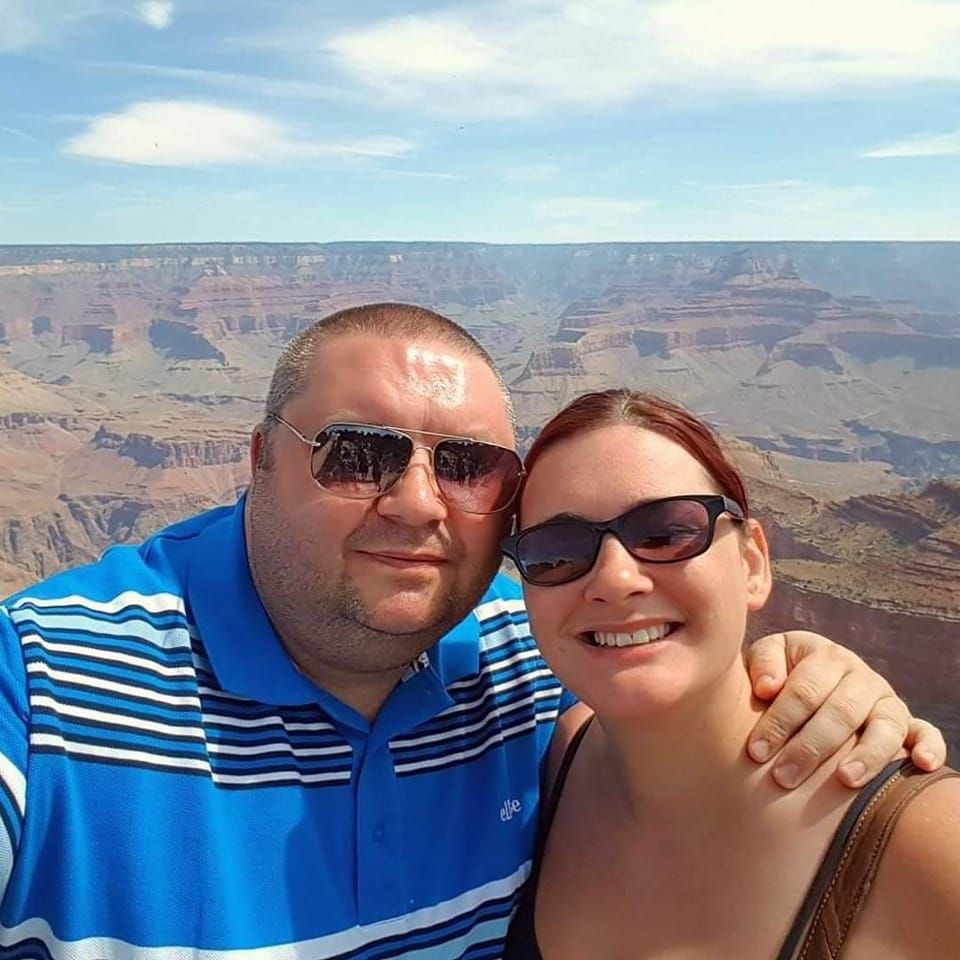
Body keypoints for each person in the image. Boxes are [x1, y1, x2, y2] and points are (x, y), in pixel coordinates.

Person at [0, 304, 945, 960]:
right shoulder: (39, 684)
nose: (417, 506)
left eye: (470, 467)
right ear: (256, 462)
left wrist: (798, 669)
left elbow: (658, 660)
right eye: (357, 455)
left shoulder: (527, 664)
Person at [501, 389, 960, 960]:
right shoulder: (548, 761)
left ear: (753, 564)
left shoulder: (931, 844)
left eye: (666, 531)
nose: (616, 578)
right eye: (556, 551)